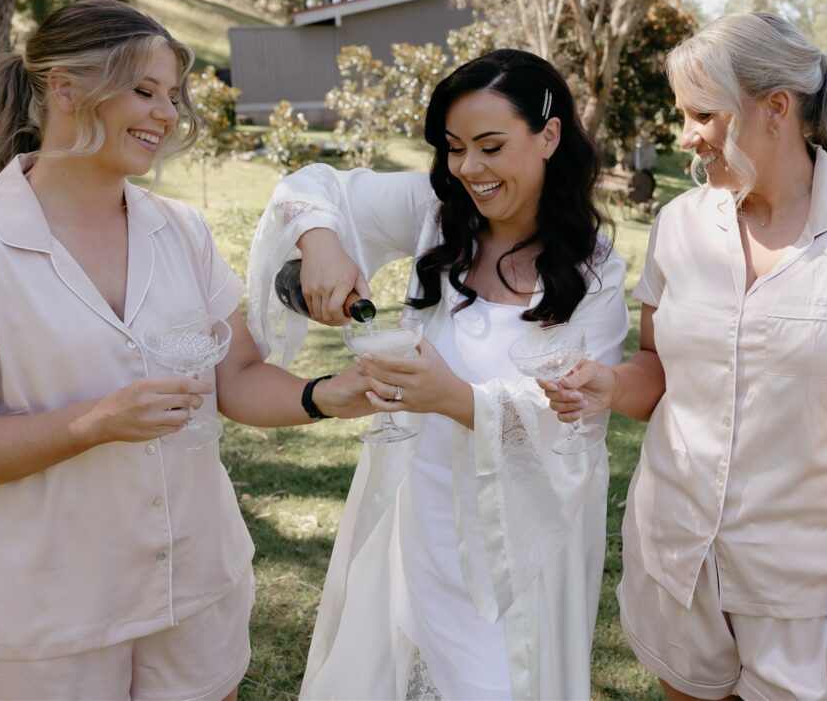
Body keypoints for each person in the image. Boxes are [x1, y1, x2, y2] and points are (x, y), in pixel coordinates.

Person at [0, 0, 376, 701]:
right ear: (64, 87)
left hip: (192, 591)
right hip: (40, 621)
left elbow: (233, 376)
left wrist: (325, 393)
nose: (167, 115)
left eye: (173, 96)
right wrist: (95, 422)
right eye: (144, 91)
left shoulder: (182, 232)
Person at [545, 12, 827, 701]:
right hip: (677, 563)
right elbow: (658, 367)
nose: (686, 135)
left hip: (810, 590)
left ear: (775, 108)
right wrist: (609, 383)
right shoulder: (682, 223)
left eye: (703, 114)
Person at [246, 49, 628, 700]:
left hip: (519, 542)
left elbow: (574, 418)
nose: (468, 169)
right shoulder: (435, 211)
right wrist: (323, 243)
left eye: (490, 145)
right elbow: (310, 187)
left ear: (549, 135)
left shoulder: (594, 269)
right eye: (454, 147)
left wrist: (455, 398)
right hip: (415, 508)